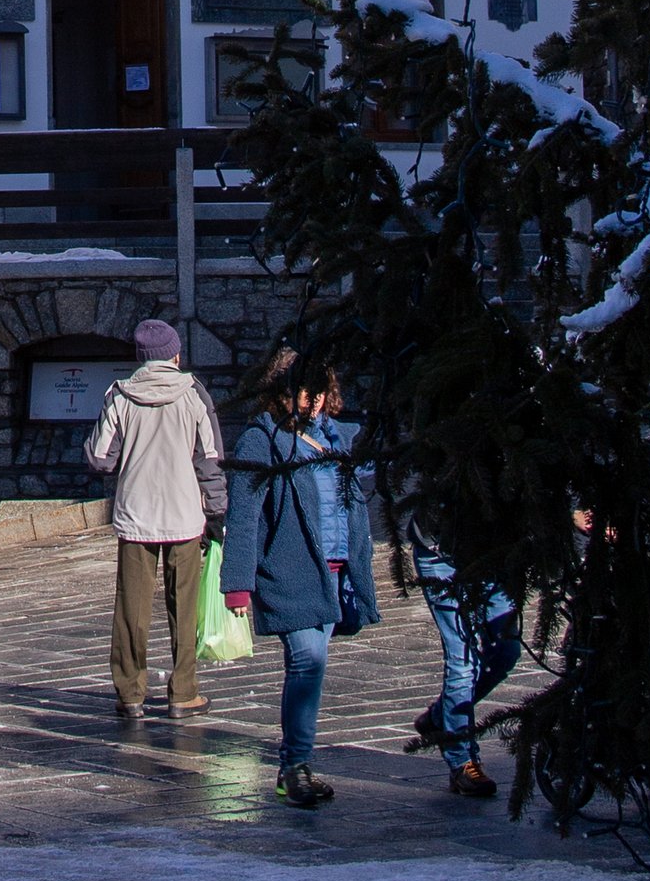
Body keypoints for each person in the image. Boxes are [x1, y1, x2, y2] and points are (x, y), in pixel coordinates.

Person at [221, 342, 379, 810]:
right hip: (289, 570)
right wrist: (237, 583)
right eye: (300, 392)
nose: (309, 401)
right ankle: (295, 767)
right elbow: (245, 514)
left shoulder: (336, 437)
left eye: (316, 390)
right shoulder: (262, 439)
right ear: (281, 392)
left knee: (310, 665)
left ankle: (295, 764)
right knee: (308, 660)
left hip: (333, 571)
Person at [84, 321, 226, 724]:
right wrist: (216, 513)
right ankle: (183, 692)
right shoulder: (194, 394)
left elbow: (100, 458)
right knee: (184, 607)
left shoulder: (120, 395)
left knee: (132, 608)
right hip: (185, 516)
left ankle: (130, 693)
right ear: (176, 356)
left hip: (136, 517)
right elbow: (209, 460)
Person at [407, 517, 522, 802]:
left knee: (506, 652)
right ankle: (462, 761)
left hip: (492, 553)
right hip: (439, 551)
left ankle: (439, 718)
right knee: (462, 660)